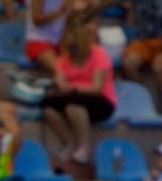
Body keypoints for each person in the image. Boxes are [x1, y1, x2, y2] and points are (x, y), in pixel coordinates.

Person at [40, 12, 116, 165]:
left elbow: (96, 88)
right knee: (47, 106)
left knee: (74, 105)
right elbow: (60, 82)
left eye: (74, 47)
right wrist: (66, 87)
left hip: (101, 99)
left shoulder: (99, 54)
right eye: (69, 47)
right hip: (73, 94)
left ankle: (84, 147)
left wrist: (73, 88)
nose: (71, 51)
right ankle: (68, 142)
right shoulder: (63, 59)